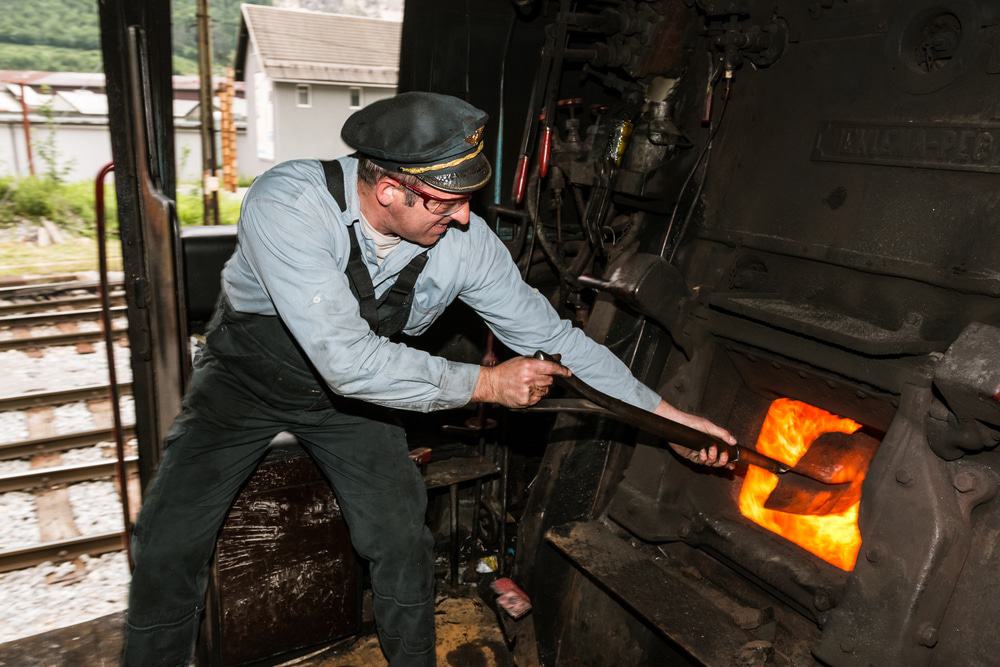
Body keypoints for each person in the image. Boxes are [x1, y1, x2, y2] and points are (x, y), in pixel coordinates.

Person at [122, 91, 735, 667]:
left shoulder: (464, 242)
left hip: (355, 402)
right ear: (389, 190)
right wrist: (489, 385)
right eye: (446, 203)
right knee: (169, 541)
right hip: (247, 379)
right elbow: (346, 360)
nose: (466, 218)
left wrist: (667, 420)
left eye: (468, 198)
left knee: (400, 540)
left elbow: (558, 341)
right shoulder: (289, 202)